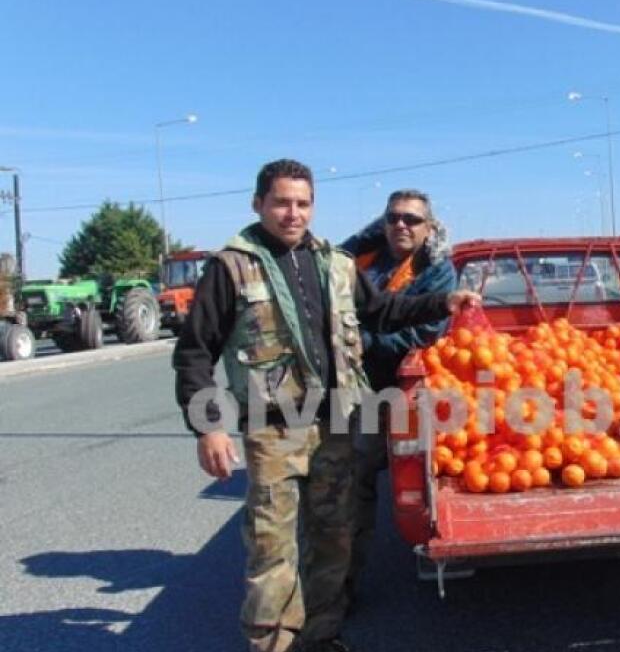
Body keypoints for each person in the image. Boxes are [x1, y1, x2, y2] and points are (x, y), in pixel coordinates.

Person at [172, 159, 479, 652]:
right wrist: (208, 428)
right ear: (259, 204)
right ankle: (272, 643)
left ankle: (320, 637)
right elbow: (194, 353)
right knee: (273, 549)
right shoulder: (231, 267)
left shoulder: (335, 264)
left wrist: (442, 304)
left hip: (337, 422)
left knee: (334, 539)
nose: (293, 213)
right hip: (275, 430)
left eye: (302, 203)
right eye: (281, 202)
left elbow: (381, 311)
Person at [338, 189, 456, 603]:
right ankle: (340, 586)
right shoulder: (366, 255)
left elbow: (424, 334)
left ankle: (340, 584)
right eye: (392, 218)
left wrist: (359, 341)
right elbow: (332, 262)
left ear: (430, 227)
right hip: (348, 384)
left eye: (412, 219)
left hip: (390, 386)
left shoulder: (438, 271)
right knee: (349, 484)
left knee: (361, 478)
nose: (401, 225)